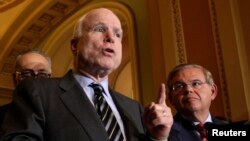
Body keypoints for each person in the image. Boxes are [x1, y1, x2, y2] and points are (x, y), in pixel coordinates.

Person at [0, 8, 173, 141]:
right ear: (75, 45)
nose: (111, 38)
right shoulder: (37, 91)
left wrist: (158, 137)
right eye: (99, 29)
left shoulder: (134, 108)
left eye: (118, 34)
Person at [166, 63, 228, 141]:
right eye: (179, 86)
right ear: (171, 98)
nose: (188, 90)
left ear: (212, 91)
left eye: (196, 83)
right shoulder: (163, 134)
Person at [0, 49, 52, 127]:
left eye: (42, 74)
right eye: (27, 74)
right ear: (15, 79)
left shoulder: (64, 115)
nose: (35, 80)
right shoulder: (2, 116)